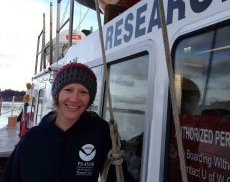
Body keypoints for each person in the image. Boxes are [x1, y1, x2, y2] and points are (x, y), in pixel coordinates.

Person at [1, 62, 136, 182]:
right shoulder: (32, 139)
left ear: (90, 99)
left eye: (83, 92)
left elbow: (118, 175)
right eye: (68, 90)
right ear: (57, 94)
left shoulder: (99, 134)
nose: (75, 99)